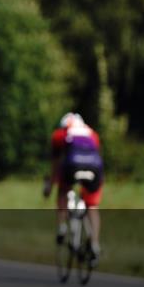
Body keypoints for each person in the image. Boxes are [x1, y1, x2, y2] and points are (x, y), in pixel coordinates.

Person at [44, 112, 104, 264]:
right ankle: (95, 244)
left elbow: (55, 164)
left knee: (63, 191)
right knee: (92, 207)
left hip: (73, 165)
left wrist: (50, 186)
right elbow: (97, 156)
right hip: (95, 169)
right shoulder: (92, 134)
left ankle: (62, 226)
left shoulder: (60, 134)